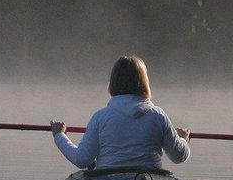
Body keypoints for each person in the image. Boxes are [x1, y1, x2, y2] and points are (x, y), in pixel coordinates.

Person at [50, 55, 190, 170]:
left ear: (113, 82)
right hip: (149, 178)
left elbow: (82, 160)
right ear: (144, 82)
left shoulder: (101, 117)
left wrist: (59, 135)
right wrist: (182, 139)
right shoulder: (159, 116)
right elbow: (178, 156)